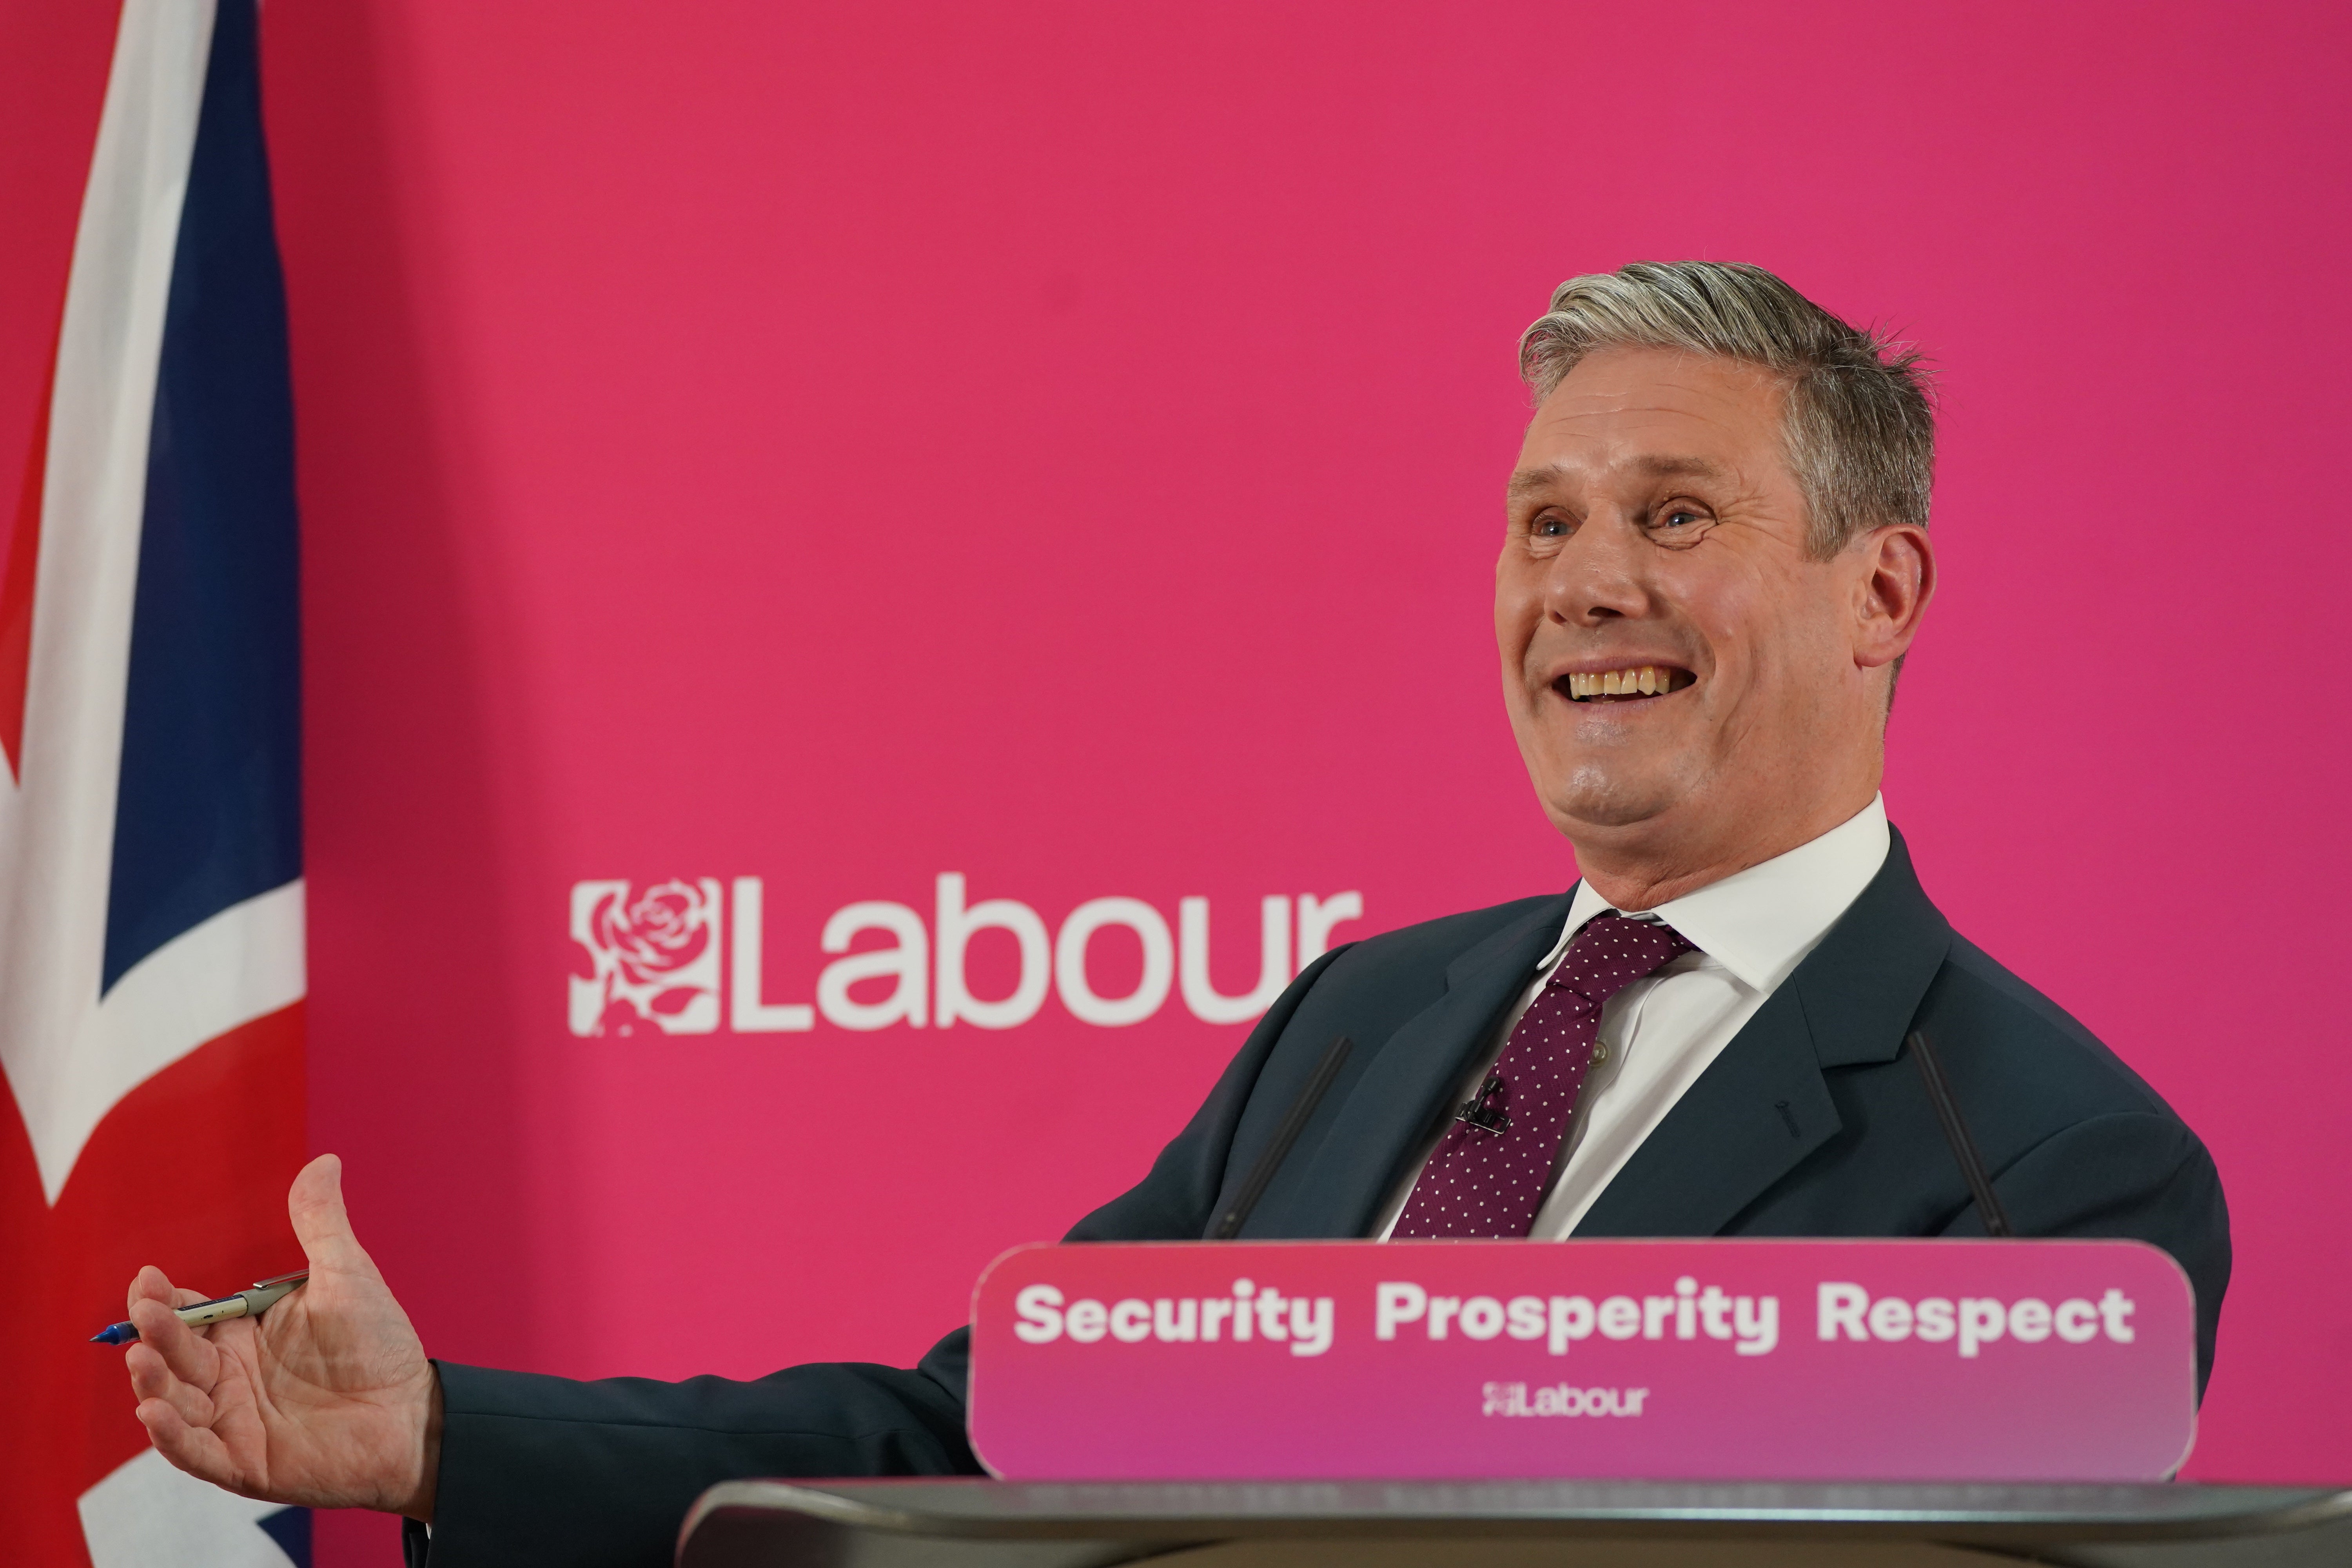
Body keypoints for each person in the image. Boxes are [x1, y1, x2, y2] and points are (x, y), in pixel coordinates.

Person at [118, 261, 2230, 1568]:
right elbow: (988, 1440)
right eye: (1546, 522)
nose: (1589, 585)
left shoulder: (2059, 1174)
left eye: (1679, 518)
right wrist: (438, 1437)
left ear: (1886, 592)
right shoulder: (1362, 1020)